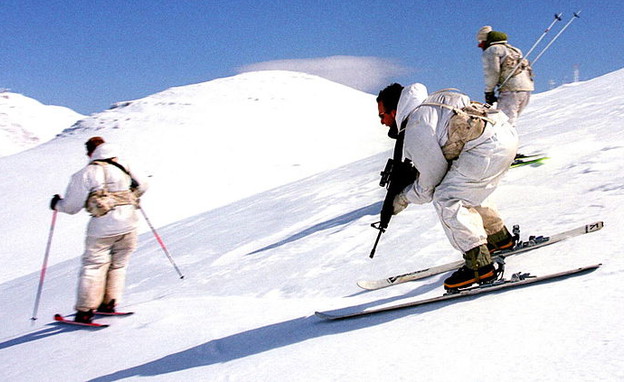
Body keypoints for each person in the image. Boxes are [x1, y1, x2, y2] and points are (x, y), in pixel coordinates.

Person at [376, 83, 518, 290]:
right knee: (466, 188)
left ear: (395, 110)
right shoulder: (432, 105)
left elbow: (429, 184)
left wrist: (402, 198)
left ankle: (479, 266)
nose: (382, 122)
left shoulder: (415, 124)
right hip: (504, 136)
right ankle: (499, 238)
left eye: (383, 115)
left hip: (485, 148)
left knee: (447, 197)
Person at [50, 137, 147, 323]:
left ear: (90, 153)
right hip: (130, 223)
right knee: (118, 264)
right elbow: (144, 184)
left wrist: (57, 204)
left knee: (94, 265)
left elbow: (71, 207)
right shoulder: (124, 166)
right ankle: (109, 303)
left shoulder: (87, 173)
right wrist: (130, 196)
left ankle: (85, 311)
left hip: (102, 227)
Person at [477, 26, 534, 129]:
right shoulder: (514, 50)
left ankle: (503, 144)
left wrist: (489, 92)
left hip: (511, 89)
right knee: (511, 120)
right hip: (526, 88)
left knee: (503, 122)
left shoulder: (492, 50)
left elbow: (492, 73)